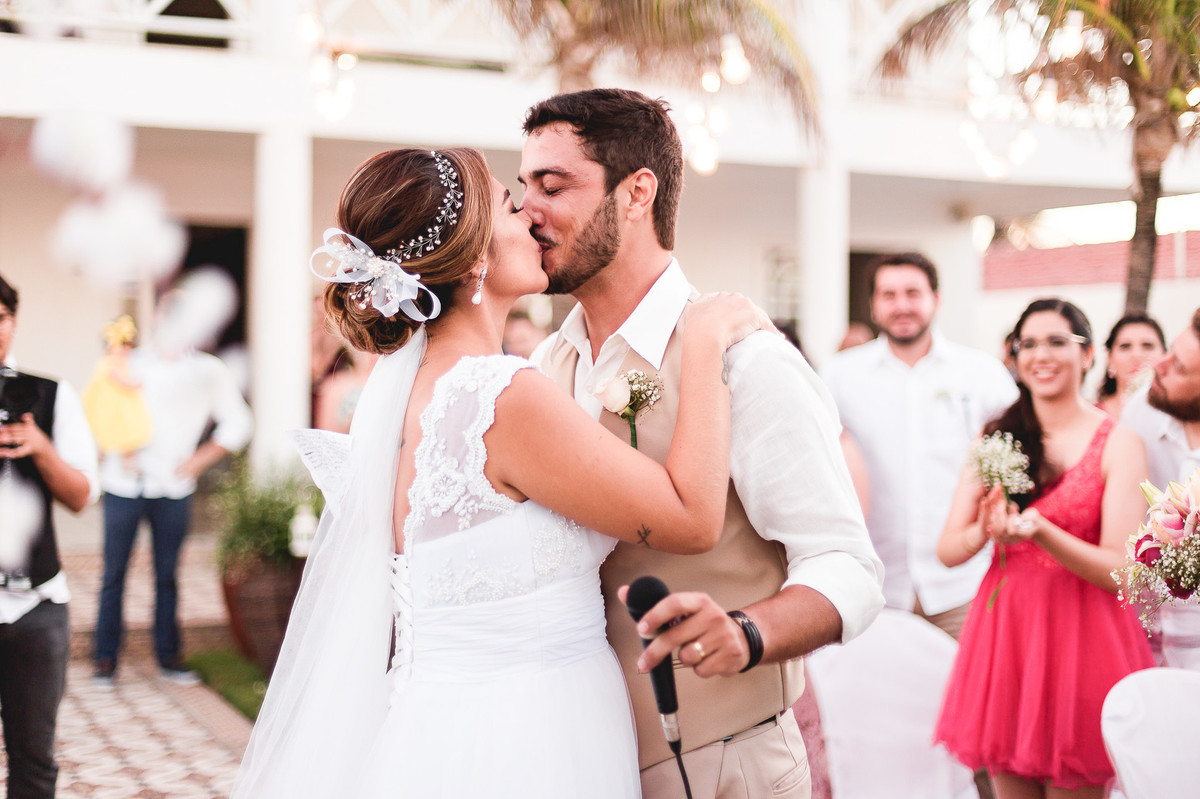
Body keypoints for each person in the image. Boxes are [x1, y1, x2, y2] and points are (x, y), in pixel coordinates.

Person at [233, 147, 773, 797]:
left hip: (440, 721)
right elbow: (688, 518)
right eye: (513, 206)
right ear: (477, 258)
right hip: (527, 737)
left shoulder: (413, 394)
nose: (534, 217)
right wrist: (705, 339)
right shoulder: (499, 395)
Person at [521, 88, 884, 799]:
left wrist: (748, 631)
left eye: (553, 185)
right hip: (580, 761)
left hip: (725, 765)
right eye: (524, 185)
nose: (527, 209)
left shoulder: (748, 360)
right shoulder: (543, 370)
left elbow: (848, 563)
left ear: (636, 193)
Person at [935, 298, 1154, 799]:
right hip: (1007, 635)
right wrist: (986, 531)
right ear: (1013, 356)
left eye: (1058, 341)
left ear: (1088, 354)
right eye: (1028, 344)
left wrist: (1042, 532)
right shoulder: (996, 437)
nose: (1041, 355)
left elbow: (1122, 567)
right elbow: (948, 548)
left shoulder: (1119, 442)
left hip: (1084, 638)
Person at [820, 253, 1017, 640]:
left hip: (963, 588)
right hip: (871, 588)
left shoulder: (981, 374)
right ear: (874, 306)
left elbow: (1018, 461)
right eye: (889, 295)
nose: (902, 305)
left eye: (913, 292)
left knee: (963, 699)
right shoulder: (839, 376)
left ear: (936, 299)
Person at [92, 289, 253, 687]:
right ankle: (104, 659)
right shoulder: (127, 362)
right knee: (114, 573)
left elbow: (238, 422)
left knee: (167, 575)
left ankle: (169, 656)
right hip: (123, 483)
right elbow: (104, 411)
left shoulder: (208, 370)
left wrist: (199, 459)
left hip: (174, 487)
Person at [0, 273, 99, 798]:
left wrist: (39, 447)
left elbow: (82, 496)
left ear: (13, 323)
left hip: (37, 604)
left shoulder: (49, 395)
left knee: (35, 759)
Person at [1120, 306, 1200, 669]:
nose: (1158, 366)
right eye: (1169, 351)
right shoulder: (1141, 412)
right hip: (1144, 638)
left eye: (1178, 367)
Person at [81, 314, 153, 467]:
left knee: (128, 430)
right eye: (123, 346)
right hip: (113, 403)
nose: (126, 351)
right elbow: (118, 380)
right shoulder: (110, 362)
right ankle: (103, 455)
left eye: (129, 347)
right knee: (116, 427)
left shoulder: (124, 362)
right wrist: (133, 385)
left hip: (121, 402)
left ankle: (126, 458)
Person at [1096, 312, 1166, 418]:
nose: (1136, 355)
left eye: (1147, 346)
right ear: (1109, 359)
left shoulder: (1180, 416)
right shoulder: (1090, 416)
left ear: (1165, 355)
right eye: (1125, 346)